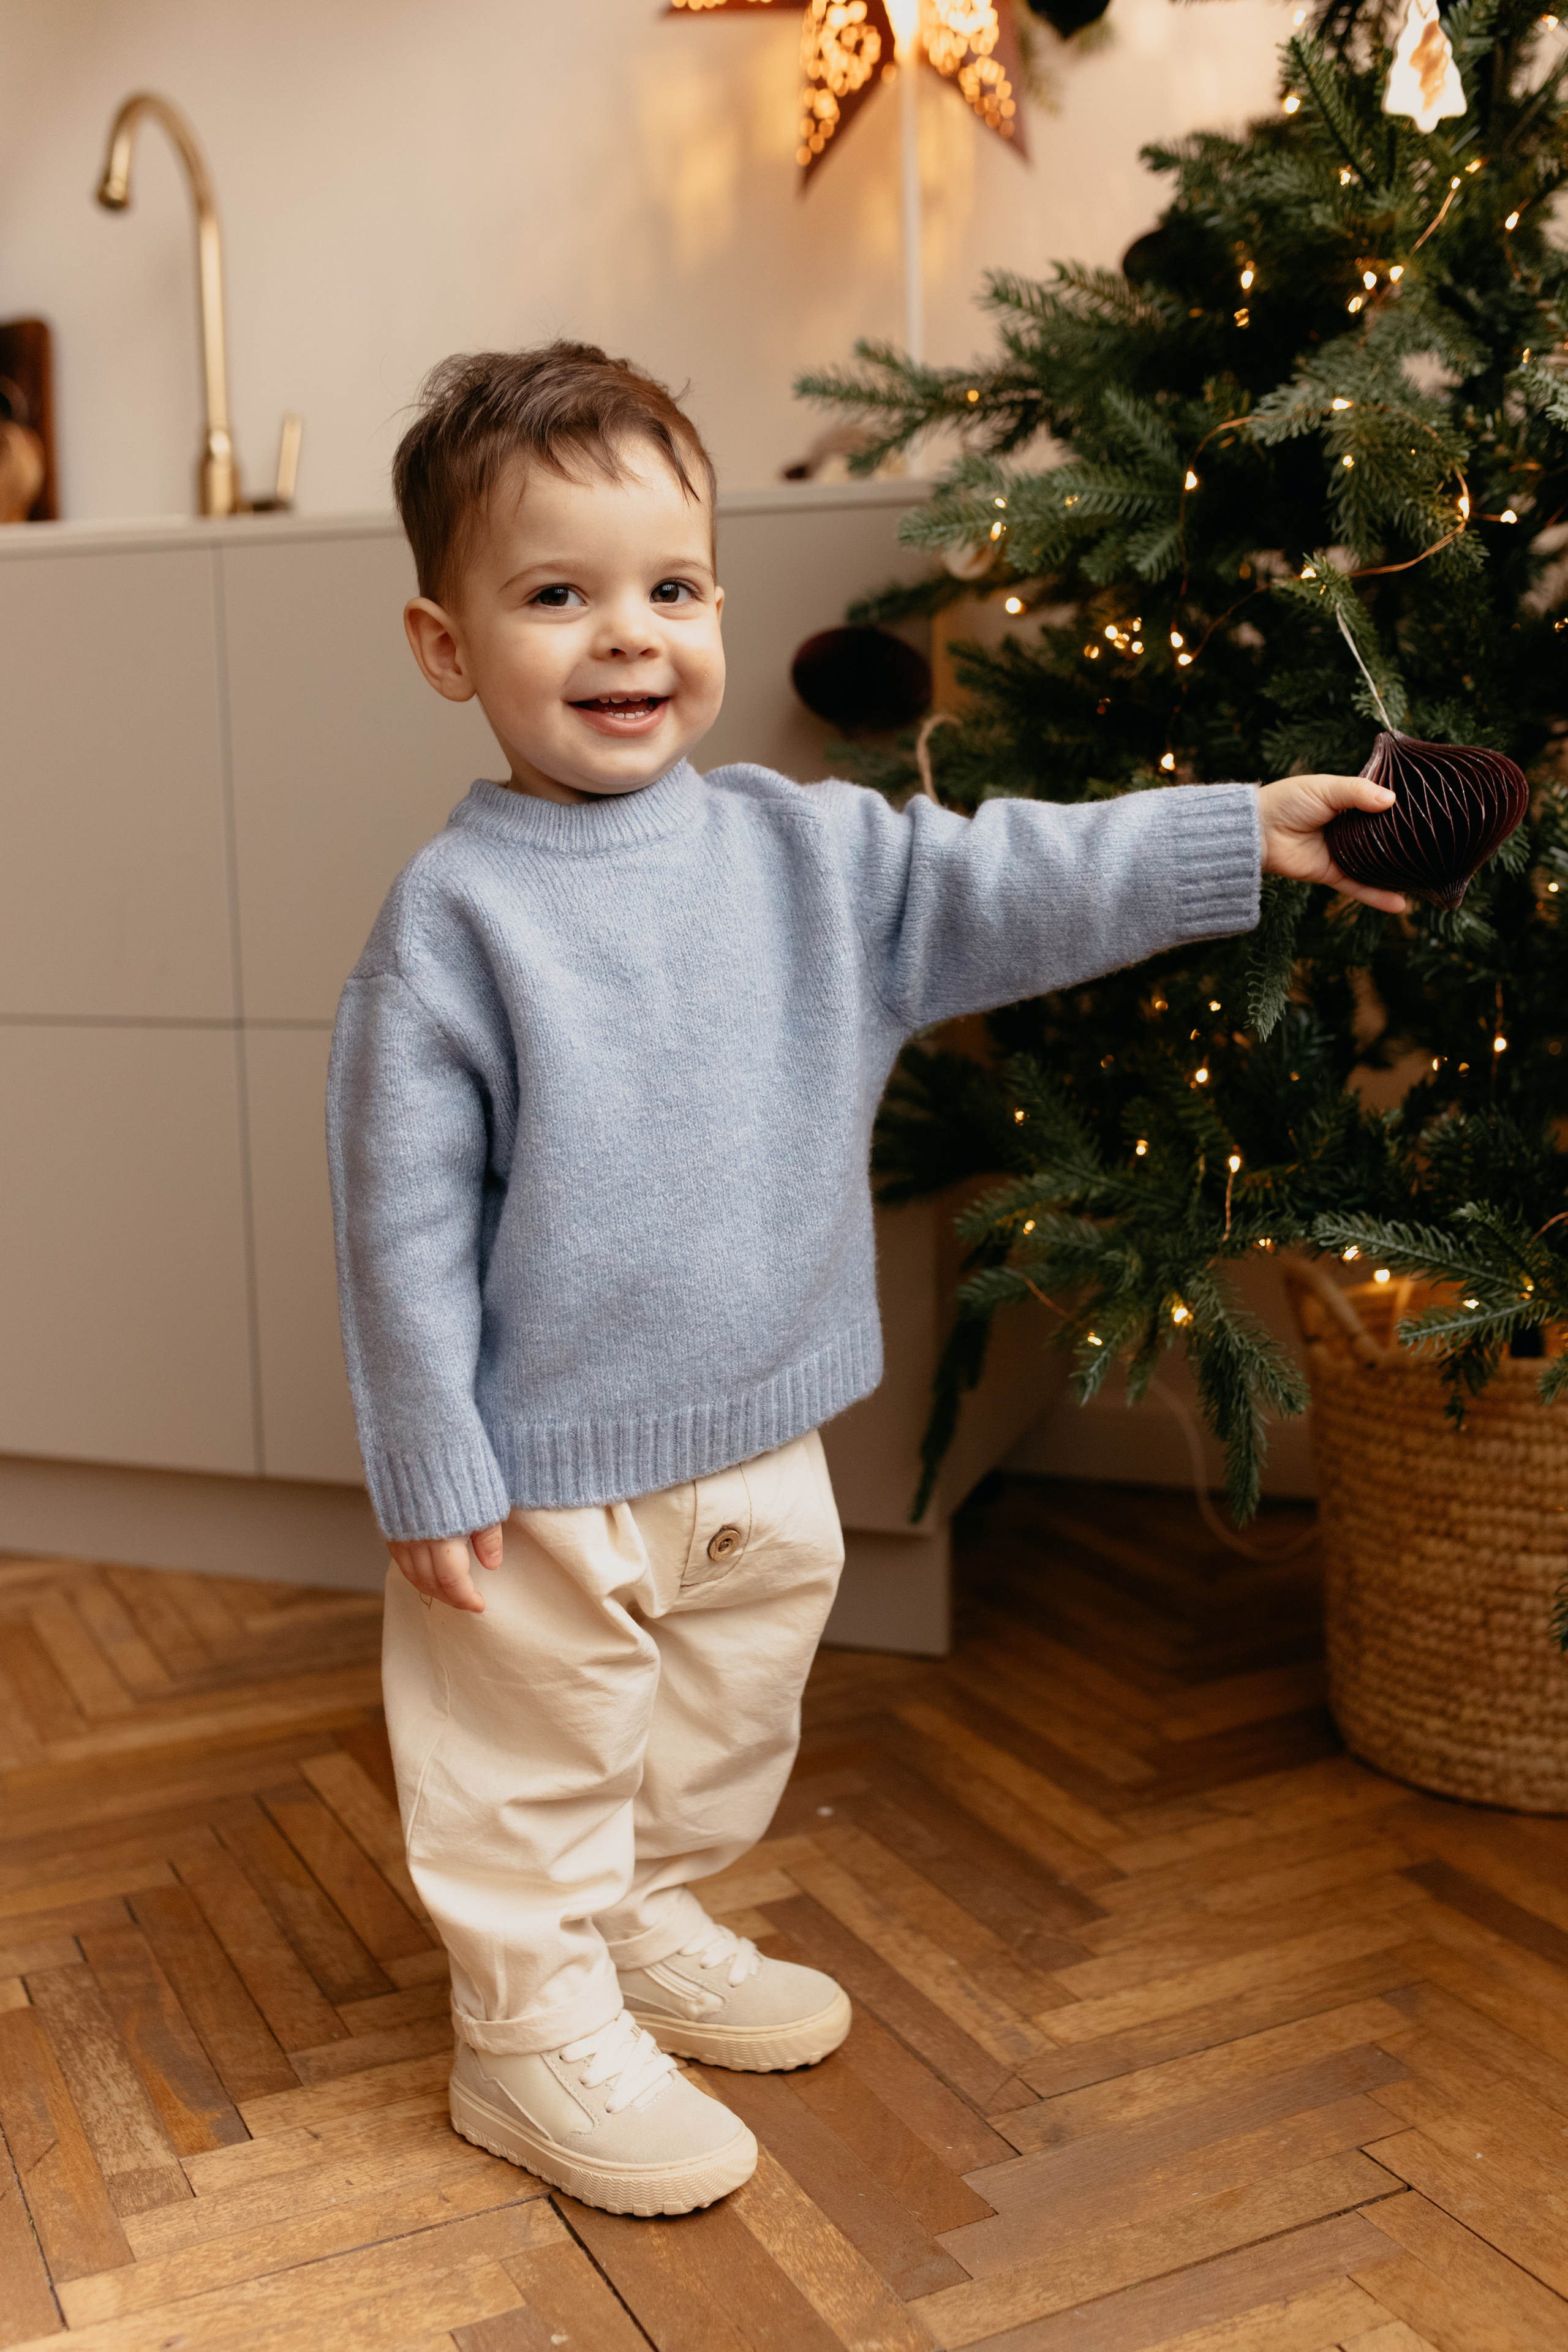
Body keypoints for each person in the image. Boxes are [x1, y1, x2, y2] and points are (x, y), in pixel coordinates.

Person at [326, 339, 1405, 2220]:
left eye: (668, 590)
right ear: (445, 647)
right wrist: (432, 1463)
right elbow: (397, 1214)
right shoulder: (455, 926)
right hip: (545, 1461)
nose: (625, 639)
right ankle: (526, 2020)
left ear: (717, 607)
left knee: (722, 1722)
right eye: (557, 596)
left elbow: (1021, 879)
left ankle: (643, 1922)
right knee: (529, 1759)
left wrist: (1248, 829)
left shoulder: (802, 855)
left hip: (764, 1426)